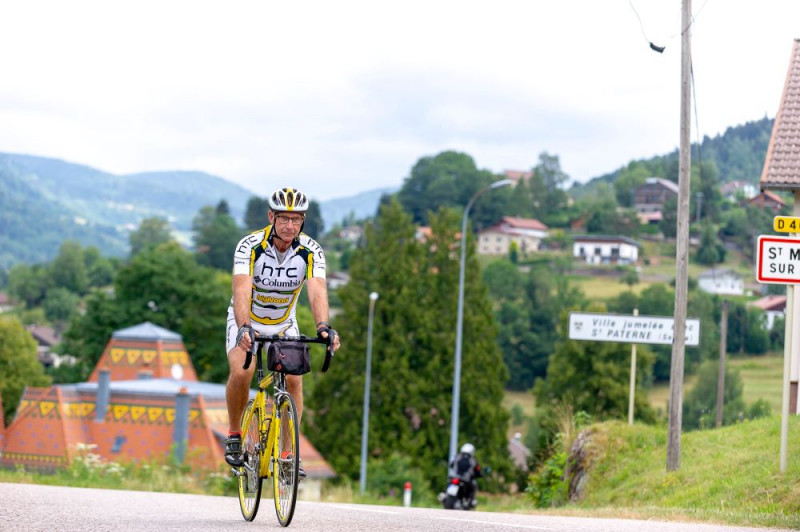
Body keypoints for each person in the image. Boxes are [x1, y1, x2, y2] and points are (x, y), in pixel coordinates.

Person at [224, 187, 340, 477]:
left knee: (294, 381)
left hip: (284, 323)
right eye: (284, 218)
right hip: (247, 319)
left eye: (297, 219)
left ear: (303, 221)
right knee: (242, 373)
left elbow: (317, 291)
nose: (290, 226)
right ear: (271, 217)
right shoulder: (249, 246)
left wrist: (323, 326)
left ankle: (288, 454)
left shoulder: (311, 251)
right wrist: (243, 328)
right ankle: (235, 434)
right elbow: (241, 290)